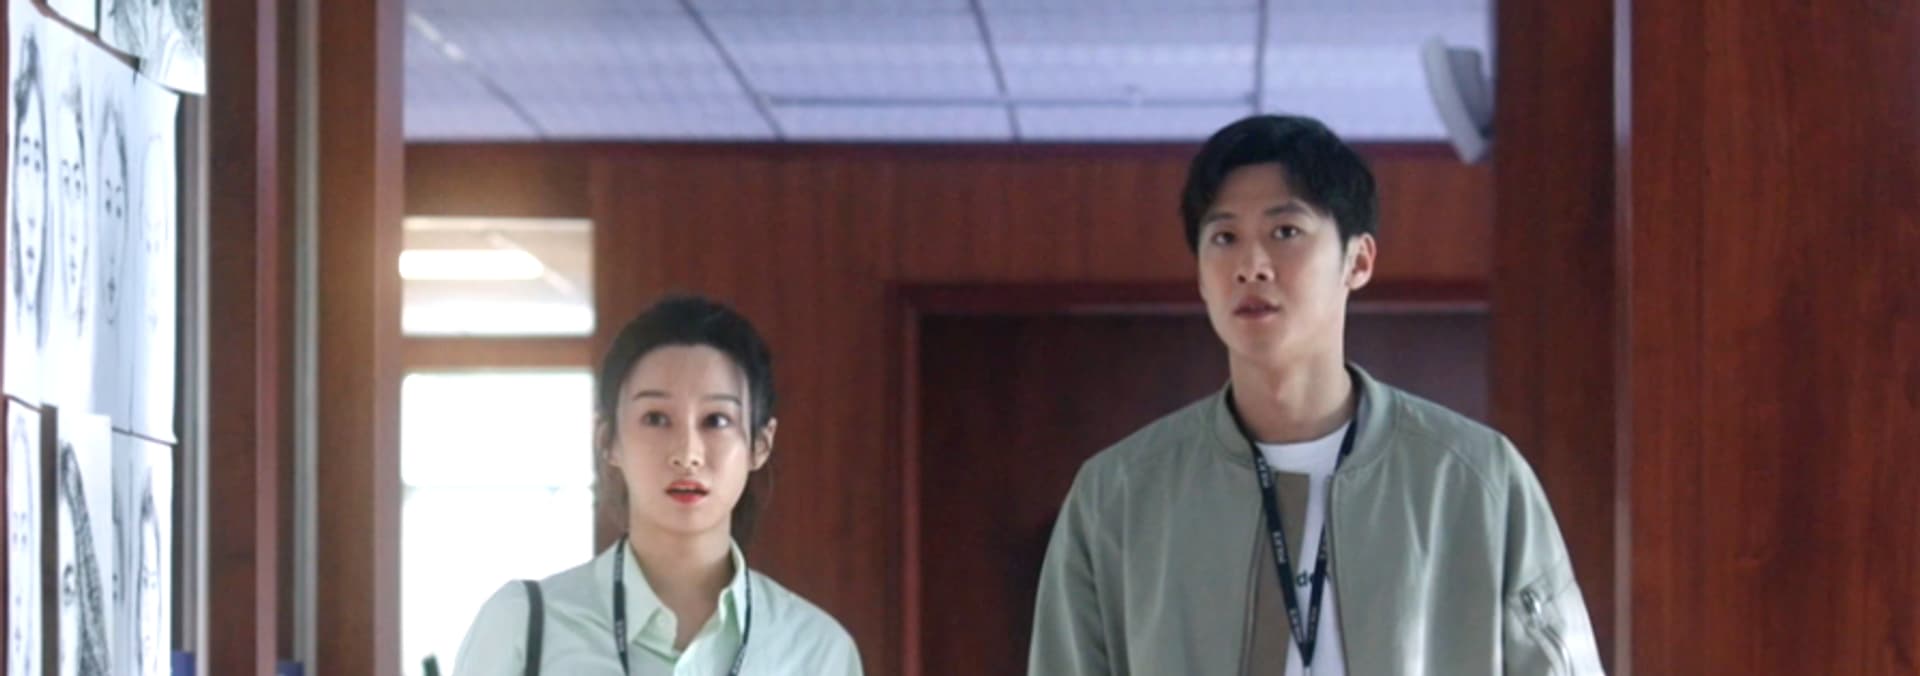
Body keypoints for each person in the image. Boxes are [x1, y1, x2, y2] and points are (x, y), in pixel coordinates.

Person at [1027, 115, 1604, 675]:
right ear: (1201, 276)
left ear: (1358, 260)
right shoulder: (1119, 495)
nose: (1251, 266)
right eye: (1224, 238)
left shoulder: (1475, 479)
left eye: (1285, 232)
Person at [452, 295, 863, 675]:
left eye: (716, 420)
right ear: (607, 440)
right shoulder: (524, 627)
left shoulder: (816, 650)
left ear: (760, 444)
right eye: (656, 419)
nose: (687, 453)